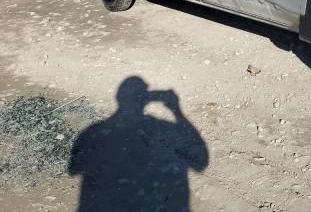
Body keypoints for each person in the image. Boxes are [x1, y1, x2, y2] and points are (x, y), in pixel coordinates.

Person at [68, 76, 208, 212]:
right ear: (144, 100)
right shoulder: (162, 128)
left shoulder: (92, 133)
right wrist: (177, 111)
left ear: (118, 99)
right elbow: (200, 160)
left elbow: (73, 169)